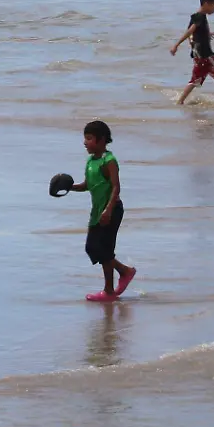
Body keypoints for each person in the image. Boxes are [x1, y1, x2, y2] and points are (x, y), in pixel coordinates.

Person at [75, 120, 135, 302]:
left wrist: (108, 210)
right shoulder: (90, 161)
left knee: (105, 249)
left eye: (89, 138)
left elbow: (116, 187)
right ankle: (125, 271)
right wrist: (69, 187)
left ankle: (109, 291)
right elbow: (87, 185)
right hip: (97, 211)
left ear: (102, 140)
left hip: (112, 210)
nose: (85, 142)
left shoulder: (109, 161)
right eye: (85, 138)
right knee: (92, 248)